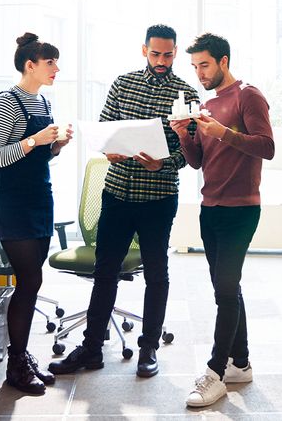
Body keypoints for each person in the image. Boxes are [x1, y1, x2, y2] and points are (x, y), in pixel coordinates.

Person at [49, 24, 200, 379]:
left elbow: (192, 153)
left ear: (175, 53)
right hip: (117, 193)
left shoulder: (186, 94)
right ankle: (91, 349)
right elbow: (105, 130)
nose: (161, 61)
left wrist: (164, 163)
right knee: (105, 271)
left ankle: (149, 348)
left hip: (158, 198)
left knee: (156, 273)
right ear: (144, 50)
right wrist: (109, 150)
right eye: (155, 54)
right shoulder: (122, 84)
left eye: (168, 55)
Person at [170, 33, 274, 408]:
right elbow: (199, 161)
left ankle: (214, 373)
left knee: (226, 290)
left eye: (205, 65)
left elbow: (267, 147)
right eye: (194, 66)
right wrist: (186, 137)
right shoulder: (208, 104)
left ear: (223, 61)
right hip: (210, 207)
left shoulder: (248, 96)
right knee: (225, 288)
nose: (199, 73)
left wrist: (224, 132)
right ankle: (240, 364)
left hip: (241, 210)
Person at [0, 32, 73, 395]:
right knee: (29, 280)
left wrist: (56, 145)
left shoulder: (43, 102)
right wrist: (35, 139)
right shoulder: (7, 101)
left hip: (39, 197)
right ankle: (16, 364)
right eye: (50, 63)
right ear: (30, 65)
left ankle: (22, 356)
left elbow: (39, 156)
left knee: (33, 281)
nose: (56, 69)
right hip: (12, 201)